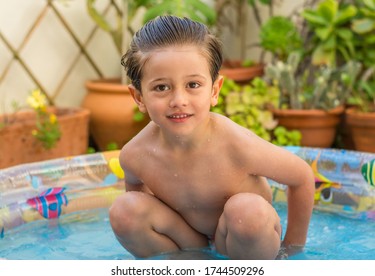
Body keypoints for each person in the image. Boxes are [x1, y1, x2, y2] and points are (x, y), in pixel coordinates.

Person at [109, 15, 315, 260]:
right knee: (125, 210)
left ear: (214, 90)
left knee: (248, 213)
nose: (179, 101)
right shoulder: (136, 156)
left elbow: (301, 177)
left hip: (239, 239)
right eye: (161, 87)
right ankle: (190, 266)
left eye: (193, 85)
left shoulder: (235, 145)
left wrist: (293, 249)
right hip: (189, 242)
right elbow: (141, 204)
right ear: (139, 97)